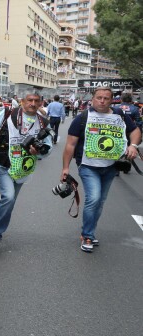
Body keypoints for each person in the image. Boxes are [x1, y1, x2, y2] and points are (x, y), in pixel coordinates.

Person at [61, 86, 141, 252]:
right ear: (93, 99)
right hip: (87, 166)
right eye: (99, 98)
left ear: (112, 100)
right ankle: (88, 235)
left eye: (106, 98)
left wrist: (133, 145)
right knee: (94, 198)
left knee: (100, 202)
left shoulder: (120, 115)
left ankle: (89, 230)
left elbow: (135, 131)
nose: (102, 101)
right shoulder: (83, 118)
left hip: (111, 166)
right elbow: (70, 144)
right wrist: (66, 168)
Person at [0, 92, 53, 255]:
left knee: (8, 202)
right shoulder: (8, 114)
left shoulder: (43, 122)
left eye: (36, 101)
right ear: (22, 102)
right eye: (29, 100)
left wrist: (37, 151)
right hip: (3, 163)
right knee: (8, 197)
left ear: (40, 103)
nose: (32, 103)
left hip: (23, 166)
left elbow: (48, 147)